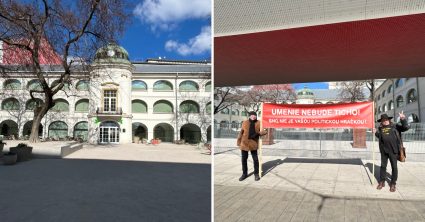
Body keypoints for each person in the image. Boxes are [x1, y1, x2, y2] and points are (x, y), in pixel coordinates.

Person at [373, 112, 409, 192]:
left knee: (394, 167)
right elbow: (380, 137)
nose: (385, 121)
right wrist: (376, 133)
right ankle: (382, 182)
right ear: (381, 121)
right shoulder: (380, 128)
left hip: (394, 151)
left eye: (386, 120)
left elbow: (405, 127)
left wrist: (403, 119)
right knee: (383, 167)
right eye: (383, 120)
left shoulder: (395, 126)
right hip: (384, 151)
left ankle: (393, 183)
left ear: (389, 120)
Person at [237, 111, 267, 181]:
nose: (253, 116)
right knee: (244, 159)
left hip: (253, 144)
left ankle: (256, 174)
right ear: (249, 116)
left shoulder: (259, 122)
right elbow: (241, 132)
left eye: (254, 115)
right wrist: (239, 141)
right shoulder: (245, 122)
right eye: (252, 115)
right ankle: (244, 174)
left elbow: (265, 131)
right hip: (244, 143)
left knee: (255, 159)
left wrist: (258, 133)